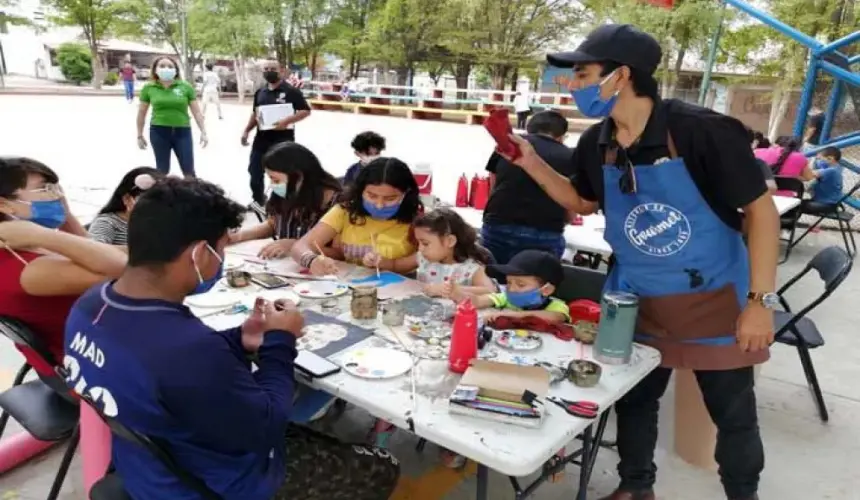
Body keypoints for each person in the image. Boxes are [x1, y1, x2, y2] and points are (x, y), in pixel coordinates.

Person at [506, 24, 777, 500]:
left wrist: (759, 302)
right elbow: (584, 202)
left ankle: (743, 495)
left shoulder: (699, 130)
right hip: (635, 299)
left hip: (713, 299)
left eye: (583, 73)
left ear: (621, 75)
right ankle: (636, 488)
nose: (572, 85)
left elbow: (761, 212)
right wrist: (529, 161)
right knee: (635, 402)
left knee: (732, 416)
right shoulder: (598, 142)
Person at [62, 177, 400, 499]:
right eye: (221, 248)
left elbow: (166, 373)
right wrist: (280, 343)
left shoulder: (90, 305)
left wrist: (240, 338)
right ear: (198, 254)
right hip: (207, 487)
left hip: (147, 467)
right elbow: (267, 424)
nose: (222, 260)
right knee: (382, 465)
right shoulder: (185, 350)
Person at [0, 157, 126, 378]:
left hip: (92, 346)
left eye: (56, 187)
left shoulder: (21, 246)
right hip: (92, 371)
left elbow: (100, 253)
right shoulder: (27, 269)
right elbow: (124, 268)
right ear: (4, 205)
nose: (57, 195)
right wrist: (42, 234)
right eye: (44, 189)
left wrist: (65, 217)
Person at [291, 158, 420, 275]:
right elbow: (301, 245)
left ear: (406, 194)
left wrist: (387, 264)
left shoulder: (417, 220)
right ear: (360, 191)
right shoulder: (344, 212)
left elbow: (425, 259)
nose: (379, 205)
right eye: (372, 196)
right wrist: (311, 260)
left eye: (390, 198)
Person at [481, 110, 575, 264]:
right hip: (545, 232)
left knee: (492, 280)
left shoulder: (509, 147)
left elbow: (494, 186)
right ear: (561, 136)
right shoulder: (570, 156)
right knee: (534, 283)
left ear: (529, 129)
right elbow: (571, 208)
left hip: (498, 224)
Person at [229, 142, 342, 259]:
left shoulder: (337, 204)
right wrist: (240, 235)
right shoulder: (288, 192)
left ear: (299, 176)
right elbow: (274, 224)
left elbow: (340, 254)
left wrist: (297, 246)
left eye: (276, 181)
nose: (272, 186)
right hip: (286, 267)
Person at [365, 208, 496, 297]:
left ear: (449, 241)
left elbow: (491, 291)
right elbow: (395, 265)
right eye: (419, 243)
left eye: (425, 243)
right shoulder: (423, 258)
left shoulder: (471, 268)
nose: (420, 249)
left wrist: (452, 290)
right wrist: (379, 261)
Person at [241, 60, 312, 207]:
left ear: (281, 70)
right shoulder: (260, 92)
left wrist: (286, 122)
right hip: (261, 140)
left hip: (282, 141)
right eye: (266, 69)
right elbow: (256, 114)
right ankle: (259, 200)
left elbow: (305, 111)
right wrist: (247, 130)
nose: (269, 71)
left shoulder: (291, 91)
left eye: (272, 68)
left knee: (280, 174)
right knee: (254, 172)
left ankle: (280, 203)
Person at [136, 56, 208, 177]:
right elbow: (142, 113)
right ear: (155, 70)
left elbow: (196, 112)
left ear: (176, 70)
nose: (166, 69)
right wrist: (139, 135)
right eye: (162, 66)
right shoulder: (149, 88)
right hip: (159, 132)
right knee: (162, 170)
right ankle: (162, 195)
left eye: (170, 66)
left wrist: (203, 131)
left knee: (188, 170)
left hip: (182, 132)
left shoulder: (185, 87)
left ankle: (192, 194)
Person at [454, 249, 569, 323]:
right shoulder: (506, 298)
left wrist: (508, 315)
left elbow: (555, 317)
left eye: (521, 284)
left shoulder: (557, 306)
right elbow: (478, 301)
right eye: (508, 282)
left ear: (546, 290)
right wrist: (458, 294)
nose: (511, 289)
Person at [88, 167, 161, 246]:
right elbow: (93, 252)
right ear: (127, 199)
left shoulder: (161, 222)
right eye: (149, 201)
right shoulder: (108, 223)